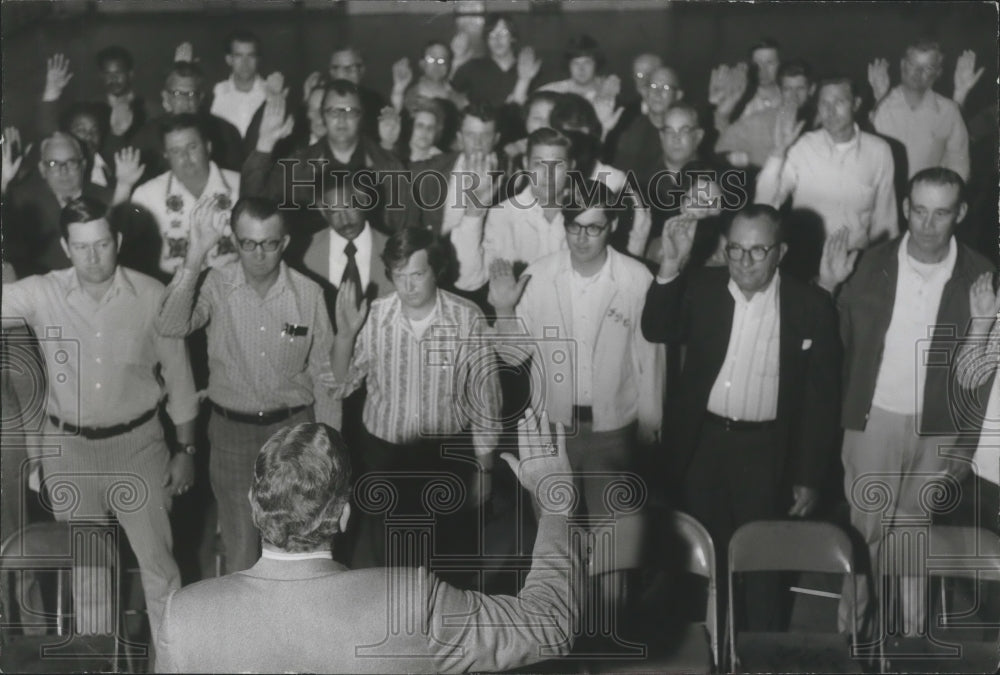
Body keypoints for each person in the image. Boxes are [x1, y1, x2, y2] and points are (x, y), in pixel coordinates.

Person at [155, 410, 579, 673]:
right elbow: (551, 625)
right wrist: (554, 502)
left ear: (253, 505)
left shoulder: (184, 617)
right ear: (343, 514)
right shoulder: (413, 602)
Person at [1, 197, 199, 643]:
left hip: (140, 447)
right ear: (66, 248)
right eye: (82, 247)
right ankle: (99, 664)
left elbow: (181, 381)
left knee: (160, 570)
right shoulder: (42, 292)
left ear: (119, 241)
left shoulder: (153, 295)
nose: (94, 257)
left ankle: (172, 661)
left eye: (103, 244)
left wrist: (186, 450)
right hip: (70, 453)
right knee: (89, 573)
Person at [641, 203, 840, 629]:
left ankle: (760, 652)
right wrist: (670, 266)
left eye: (758, 251)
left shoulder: (811, 306)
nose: (744, 262)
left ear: (781, 251)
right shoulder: (703, 287)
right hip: (702, 444)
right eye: (735, 250)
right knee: (696, 561)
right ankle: (698, 650)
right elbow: (657, 329)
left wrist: (809, 474)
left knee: (763, 564)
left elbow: (820, 403)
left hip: (766, 451)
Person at [818, 168, 993, 636]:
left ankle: (913, 641)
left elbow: (981, 375)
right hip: (872, 420)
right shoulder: (867, 265)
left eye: (941, 213)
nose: (927, 224)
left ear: (960, 213)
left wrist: (965, 444)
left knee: (915, 537)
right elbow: (828, 346)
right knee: (864, 536)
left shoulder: (981, 276)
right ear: (904, 207)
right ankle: (853, 639)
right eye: (919, 210)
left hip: (937, 429)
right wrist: (828, 287)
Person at [155, 196, 337, 574]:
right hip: (230, 435)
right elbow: (171, 325)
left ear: (284, 242)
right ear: (234, 241)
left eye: (269, 243)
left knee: (298, 547)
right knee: (241, 548)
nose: (258, 254)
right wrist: (195, 255)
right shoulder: (215, 284)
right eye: (247, 243)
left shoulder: (309, 294)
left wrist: (332, 450)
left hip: (293, 435)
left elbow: (324, 377)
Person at [489, 181, 663, 561]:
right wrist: (503, 310)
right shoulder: (537, 275)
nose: (582, 238)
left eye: (594, 227)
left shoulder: (637, 279)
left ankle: (612, 617)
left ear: (612, 225)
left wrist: (651, 422)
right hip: (553, 432)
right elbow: (515, 357)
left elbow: (650, 358)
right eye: (574, 226)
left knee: (612, 546)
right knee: (555, 544)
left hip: (614, 434)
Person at [330, 228, 501, 568]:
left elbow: (486, 398)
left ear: (436, 270)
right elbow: (341, 383)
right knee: (389, 559)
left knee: (445, 556)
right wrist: (346, 335)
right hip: (383, 456)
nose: (408, 286)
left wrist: (485, 467)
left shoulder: (466, 317)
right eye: (399, 276)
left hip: (445, 455)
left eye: (417, 274)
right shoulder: (376, 315)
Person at [242, 80, 416, 234]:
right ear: (323, 115)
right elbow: (252, 211)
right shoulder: (297, 167)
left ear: (361, 116)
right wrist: (264, 144)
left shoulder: (388, 166)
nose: (341, 119)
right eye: (333, 111)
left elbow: (403, 229)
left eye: (350, 111)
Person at [755, 76, 898, 255]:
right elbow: (765, 203)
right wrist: (778, 152)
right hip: (804, 258)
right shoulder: (801, 146)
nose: (830, 111)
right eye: (824, 103)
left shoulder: (879, 151)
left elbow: (885, 220)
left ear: (856, 104)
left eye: (839, 102)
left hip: (855, 259)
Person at [3, 131, 142, 277]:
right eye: (53, 163)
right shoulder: (23, 201)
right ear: (42, 169)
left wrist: (124, 187)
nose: (64, 170)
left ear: (83, 165)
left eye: (71, 162)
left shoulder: (108, 197)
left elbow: (123, 243)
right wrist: (3, 184)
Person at [129, 114, 241, 277]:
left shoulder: (240, 185)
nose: (185, 157)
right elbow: (136, 260)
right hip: (171, 289)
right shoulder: (146, 195)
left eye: (192, 146)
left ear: (208, 147)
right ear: (165, 155)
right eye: (175, 150)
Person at [870, 40, 970, 180]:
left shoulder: (949, 111)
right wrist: (879, 100)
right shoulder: (880, 106)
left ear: (938, 73)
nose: (918, 73)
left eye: (928, 68)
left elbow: (959, 164)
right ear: (902, 64)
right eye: (912, 64)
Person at [130, 60, 245, 177]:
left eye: (191, 94)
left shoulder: (225, 132)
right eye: (177, 94)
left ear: (200, 97)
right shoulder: (146, 136)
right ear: (166, 96)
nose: (185, 102)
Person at [451, 13, 540, 142]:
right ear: (486, 39)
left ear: (513, 37)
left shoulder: (528, 68)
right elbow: (451, 93)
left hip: (520, 141)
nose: (497, 39)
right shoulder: (472, 67)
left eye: (503, 33)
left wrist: (524, 83)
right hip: (480, 140)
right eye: (491, 34)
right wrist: (457, 60)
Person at [39, 49, 146, 155]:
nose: (113, 79)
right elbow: (52, 137)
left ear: (130, 74)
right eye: (108, 74)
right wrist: (51, 94)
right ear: (101, 76)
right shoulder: (87, 108)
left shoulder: (150, 109)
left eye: (118, 73)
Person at [715, 60, 816, 169]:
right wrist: (747, 159)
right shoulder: (759, 121)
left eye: (800, 88)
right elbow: (720, 151)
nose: (793, 96)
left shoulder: (824, 121)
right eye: (787, 89)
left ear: (811, 89)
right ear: (780, 90)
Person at [611, 65, 683, 178]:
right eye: (653, 86)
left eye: (666, 88)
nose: (658, 93)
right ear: (646, 92)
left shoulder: (686, 132)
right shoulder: (630, 130)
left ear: (678, 95)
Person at [210, 31, 268, 138]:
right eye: (238, 56)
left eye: (250, 56)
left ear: (258, 60)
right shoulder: (215, 93)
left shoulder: (271, 93)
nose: (245, 63)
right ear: (229, 59)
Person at [326, 45, 388, 140]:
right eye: (343, 68)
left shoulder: (375, 101)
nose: (348, 73)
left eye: (352, 67)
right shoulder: (320, 99)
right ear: (332, 72)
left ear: (362, 70)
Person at [538, 35, 615, 103]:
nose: (581, 68)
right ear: (568, 66)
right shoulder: (552, 92)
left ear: (596, 64)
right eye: (575, 63)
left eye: (587, 62)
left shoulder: (609, 90)